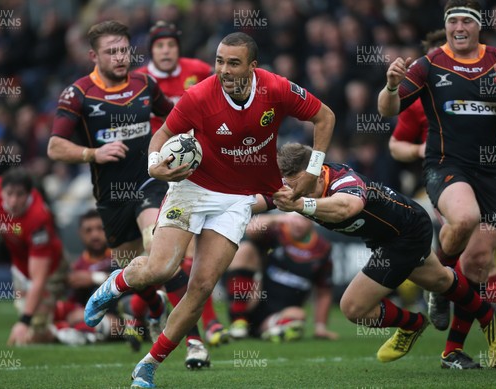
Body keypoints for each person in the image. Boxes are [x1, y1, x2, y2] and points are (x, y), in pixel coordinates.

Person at [84, 32, 335, 388]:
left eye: (234, 63)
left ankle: (149, 365)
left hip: (237, 199)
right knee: (161, 268)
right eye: (219, 61)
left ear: (253, 67)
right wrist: (156, 164)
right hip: (193, 188)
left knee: (200, 286)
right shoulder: (200, 95)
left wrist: (312, 172)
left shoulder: (276, 89)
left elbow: (325, 117)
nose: (224, 70)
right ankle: (117, 283)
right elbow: (162, 136)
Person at [378, 0, 496, 368]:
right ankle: (440, 282)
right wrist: (389, 86)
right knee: (464, 219)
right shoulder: (430, 63)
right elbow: (388, 110)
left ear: (478, 26)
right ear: (446, 25)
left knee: (479, 263)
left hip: (488, 171)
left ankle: (451, 351)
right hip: (444, 165)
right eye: (453, 21)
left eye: (467, 20)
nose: (459, 26)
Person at [47, 20, 210, 365]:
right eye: (112, 52)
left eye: (124, 50)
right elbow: (55, 147)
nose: (121, 57)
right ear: (94, 55)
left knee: (159, 249)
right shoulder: (78, 94)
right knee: (137, 271)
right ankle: (154, 308)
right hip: (110, 198)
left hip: (150, 183)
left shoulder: (144, 84)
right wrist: (92, 153)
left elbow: (178, 117)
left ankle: (195, 342)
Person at [273, 143, 496, 368]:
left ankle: (412, 324)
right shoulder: (297, 187)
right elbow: (259, 199)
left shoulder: (342, 180)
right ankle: (490, 316)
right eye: (287, 183)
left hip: (405, 233)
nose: (290, 190)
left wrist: (302, 205)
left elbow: (348, 207)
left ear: (312, 172)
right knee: (440, 280)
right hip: (389, 236)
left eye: (294, 183)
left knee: (353, 307)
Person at [135, 20, 228, 347]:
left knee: (191, 252)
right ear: (152, 50)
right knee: (154, 255)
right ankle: (145, 309)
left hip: (195, 170)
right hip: (155, 171)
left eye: (171, 45)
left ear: (177, 48)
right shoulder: (139, 81)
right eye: (159, 45)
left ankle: (206, 327)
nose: (165, 50)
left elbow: (221, 99)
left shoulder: (199, 69)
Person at [0, 168, 66, 345]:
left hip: (50, 268)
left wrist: (23, 322)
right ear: (2, 191)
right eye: (9, 194)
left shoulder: (38, 220)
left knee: (35, 332)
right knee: (28, 328)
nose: (13, 201)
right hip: (20, 263)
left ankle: (68, 329)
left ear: (29, 194)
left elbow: (38, 279)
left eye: (19, 195)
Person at [224, 213, 338, 342]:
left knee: (298, 314)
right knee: (245, 249)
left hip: (282, 313)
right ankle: (239, 321)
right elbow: (251, 229)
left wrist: (320, 327)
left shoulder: (322, 249)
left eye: (304, 219)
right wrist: (276, 218)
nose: (299, 223)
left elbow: (324, 291)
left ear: (313, 221)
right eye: (296, 217)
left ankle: (274, 329)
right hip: (254, 302)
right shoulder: (277, 232)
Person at [52, 209, 121, 346]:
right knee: (56, 309)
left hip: (120, 316)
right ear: (80, 234)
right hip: (90, 315)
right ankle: (70, 331)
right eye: (88, 230)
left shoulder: (119, 256)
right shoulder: (77, 267)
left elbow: (133, 280)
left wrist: (94, 278)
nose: (95, 235)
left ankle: (70, 332)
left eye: (99, 229)